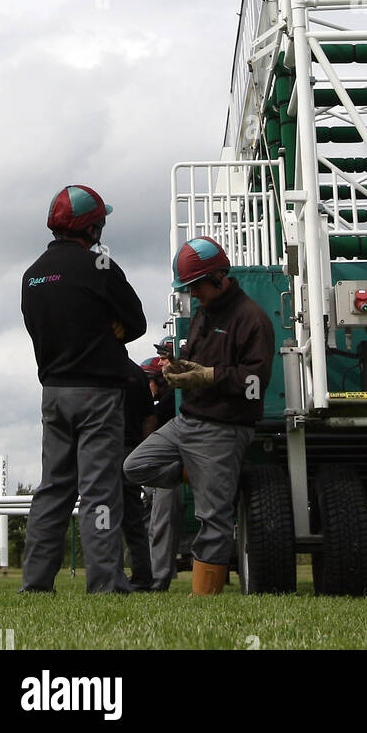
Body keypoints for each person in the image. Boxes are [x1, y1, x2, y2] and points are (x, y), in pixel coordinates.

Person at [123, 237, 275, 596]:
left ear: (219, 277)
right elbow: (198, 360)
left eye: (194, 287)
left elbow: (255, 380)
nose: (192, 294)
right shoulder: (202, 313)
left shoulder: (252, 318)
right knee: (134, 466)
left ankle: (205, 598)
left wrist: (208, 376)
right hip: (186, 423)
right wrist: (180, 368)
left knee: (213, 519)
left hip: (223, 428)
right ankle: (197, 471)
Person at [20, 184, 146, 594]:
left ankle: (36, 584)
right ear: (93, 228)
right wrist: (112, 329)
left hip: (53, 393)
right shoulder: (101, 266)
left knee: (52, 489)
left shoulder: (32, 275)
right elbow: (138, 321)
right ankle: (105, 583)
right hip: (98, 395)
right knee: (99, 491)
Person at [141, 351, 181, 592]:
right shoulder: (166, 399)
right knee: (150, 520)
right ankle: (149, 574)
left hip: (170, 467)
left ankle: (157, 579)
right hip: (161, 467)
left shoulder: (170, 400)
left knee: (161, 519)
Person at [121, 358, 156, 589]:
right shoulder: (137, 373)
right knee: (134, 520)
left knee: (102, 516)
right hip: (130, 451)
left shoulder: (98, 367)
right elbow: (149, 418)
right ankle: (143, 577)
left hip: (102, 451)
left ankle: (108, 574)